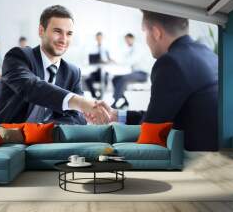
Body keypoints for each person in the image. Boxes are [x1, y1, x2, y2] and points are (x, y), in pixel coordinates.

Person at [87, 10, 219, 151]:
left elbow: (151, 134)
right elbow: (159, 114)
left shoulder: (171, 62)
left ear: (156, 33)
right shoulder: (208, 54)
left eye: (144, 32)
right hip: (213, 148)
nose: (146, 39)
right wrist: (116, 115)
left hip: (193, 156)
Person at [0, 5, 110, 125]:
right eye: (57, 31)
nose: (63, 39)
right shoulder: (18, 56)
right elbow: (31, 87)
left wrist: (44, 129)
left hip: (47, 140)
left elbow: (78, 117)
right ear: (41, 31)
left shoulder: (73, 72)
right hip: (9, 138)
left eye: (69, 34)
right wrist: (80, 102)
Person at [111, 33, 149, 109]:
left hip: (142, 74)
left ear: (132, 39)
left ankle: (115, 102)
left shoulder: (139, 48)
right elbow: (126, 60)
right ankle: (124, 101)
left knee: (123, 79)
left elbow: (131, 61)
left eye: (127, 40)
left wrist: (116, 62)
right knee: (115, 78)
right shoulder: (131, 49)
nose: (126, 42)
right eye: (125, 41)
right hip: (135, 73)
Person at [84, 32, 113, 99]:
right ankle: (94, 96)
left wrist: (106, 61)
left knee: (105, 79)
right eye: (98, 38)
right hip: (95, 71)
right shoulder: (92, 48)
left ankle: (101, 97)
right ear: (96, 38)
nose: (99, 39)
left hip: (104, 71)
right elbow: (89, 60)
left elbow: (109, 59)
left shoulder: (106, 49)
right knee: (88, 79)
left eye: (100, 37)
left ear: (103, 38)